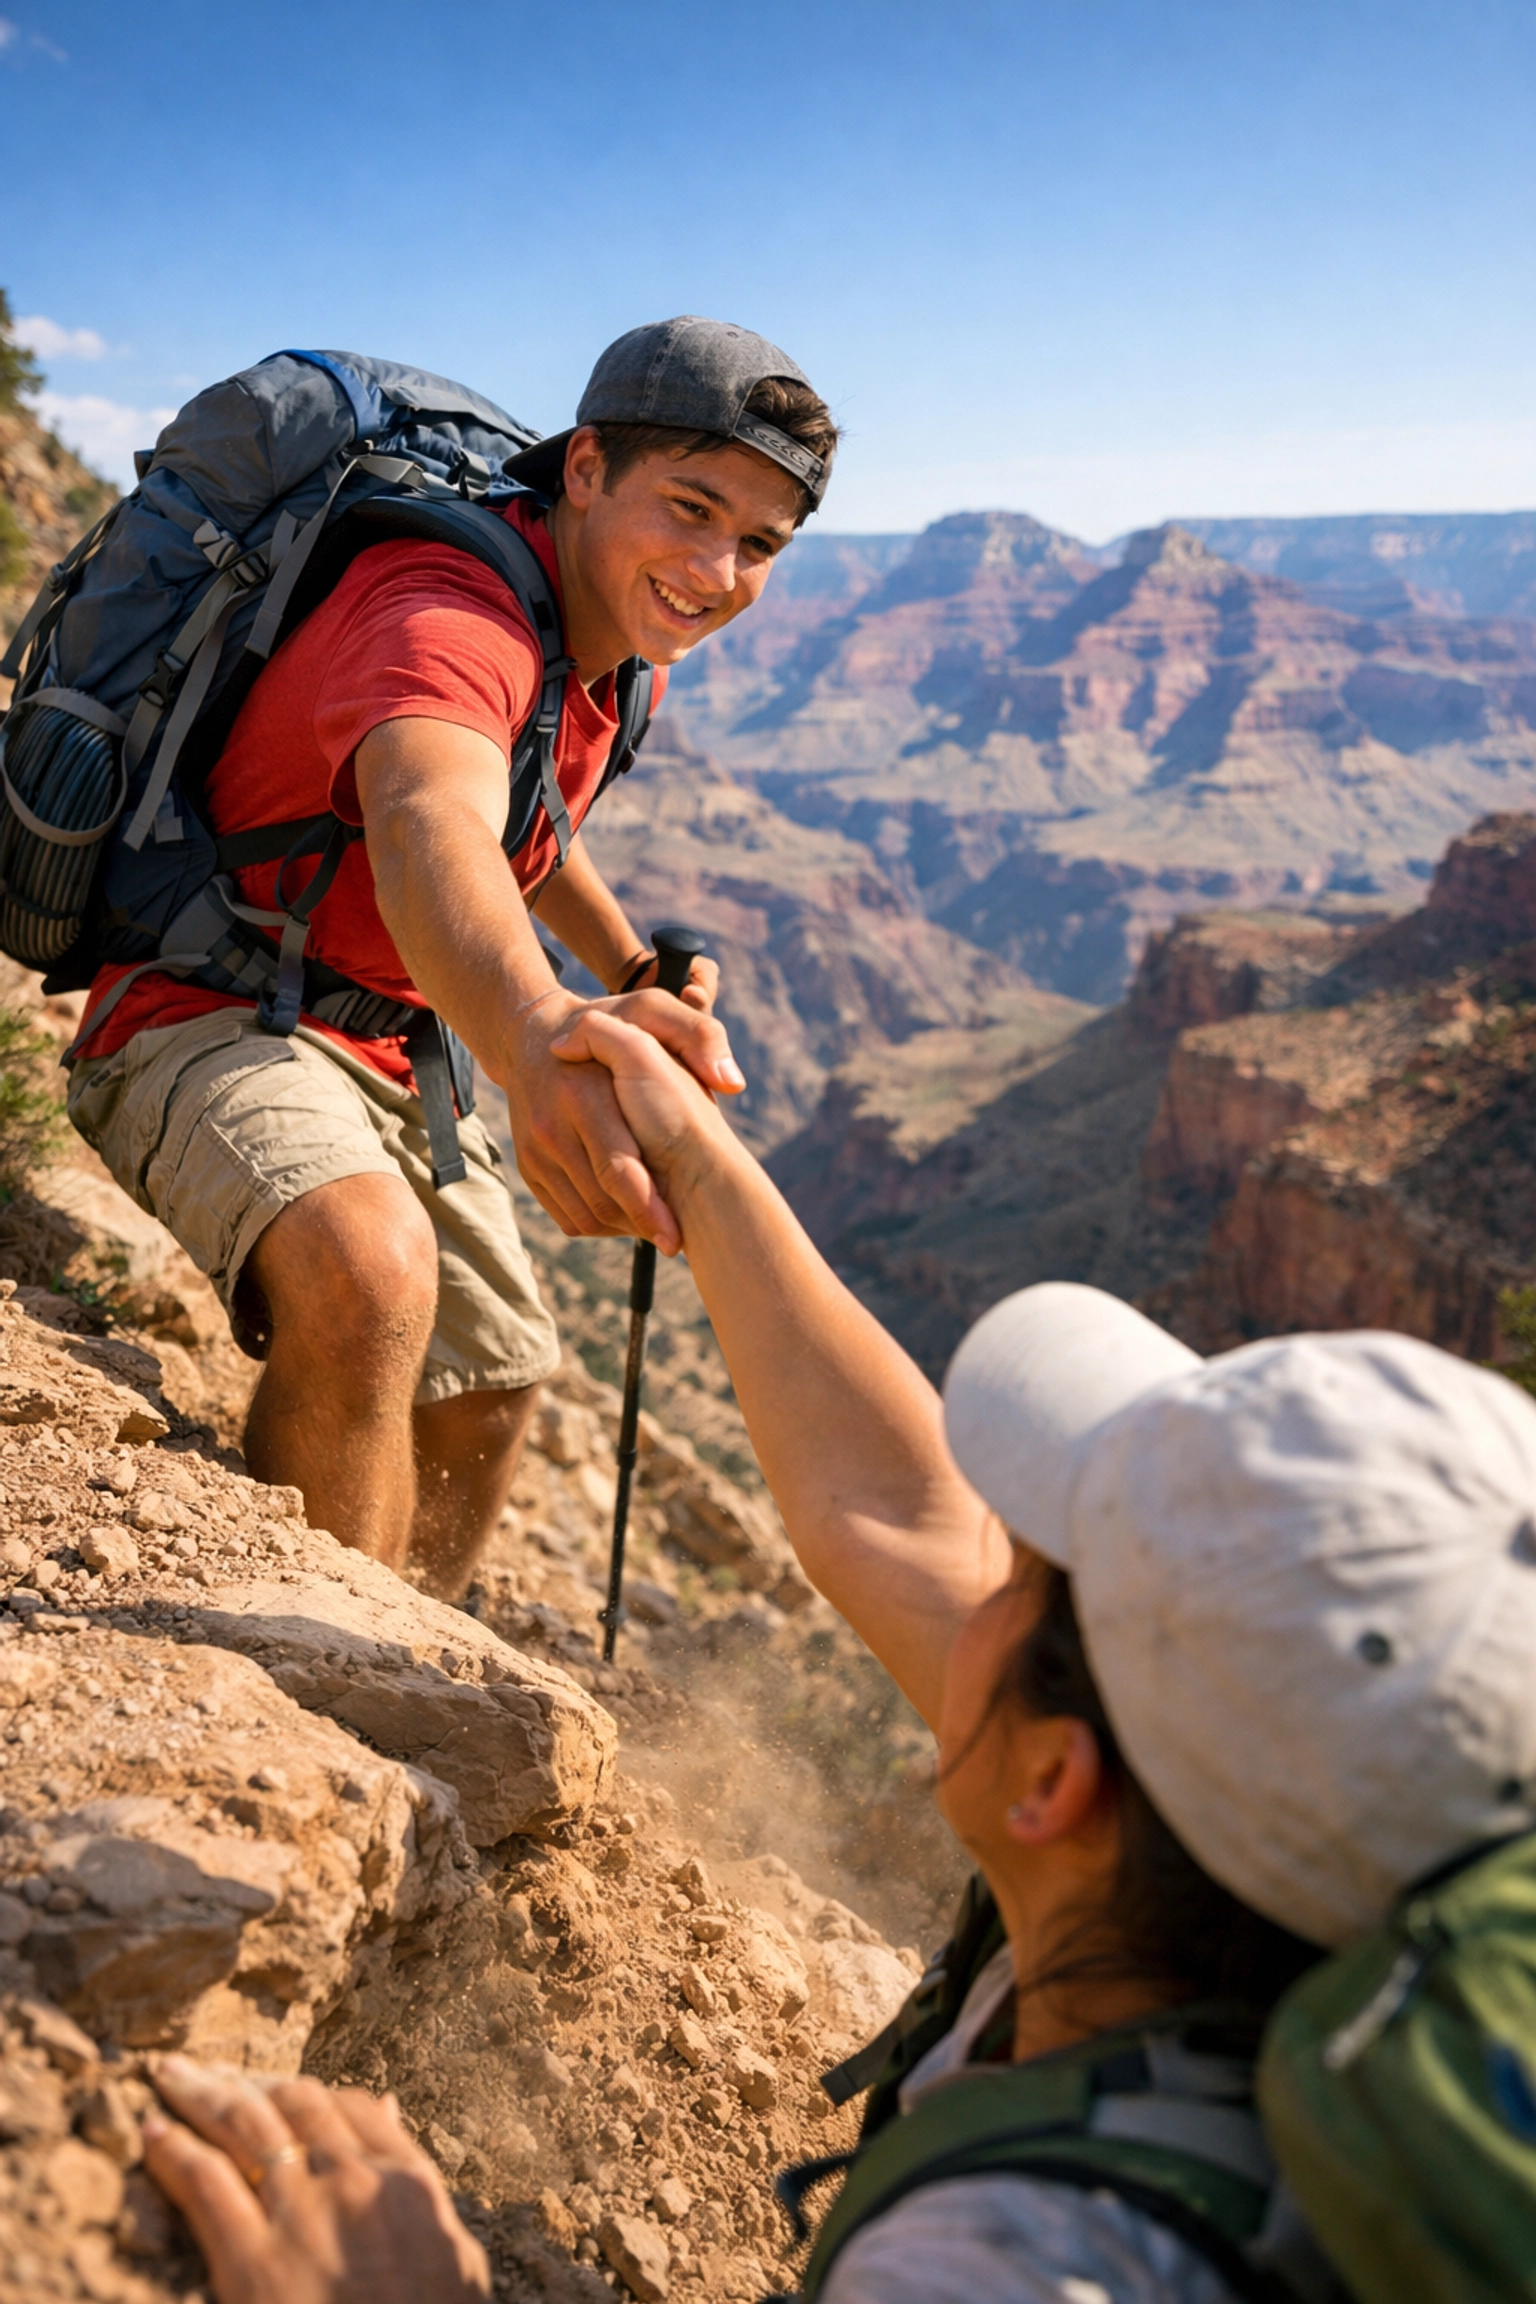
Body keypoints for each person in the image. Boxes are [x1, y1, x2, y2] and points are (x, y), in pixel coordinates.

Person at [139, 1012, 1536, 2301]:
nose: (980, 1573)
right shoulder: (1273, 1854)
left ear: (1059, 1782)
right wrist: (695, 1157)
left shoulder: (1025, 2264)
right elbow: (904, 1516)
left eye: (1031, 1582)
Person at [64, 318, 838, 1598]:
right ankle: (318, 1662)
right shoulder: (449, 618)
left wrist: (625, 958)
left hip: (386, 1036)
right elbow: (430, 815)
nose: (715, 571)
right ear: (583, 469)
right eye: (692, 508)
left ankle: (420, 1649)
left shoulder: (593, 631)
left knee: (493, 1376)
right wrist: (536, 1034)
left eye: (760, 543)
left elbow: (514, 813)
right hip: (207, 1007)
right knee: (368, 1276)